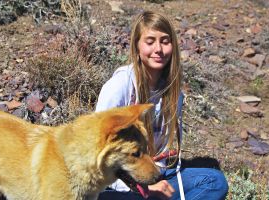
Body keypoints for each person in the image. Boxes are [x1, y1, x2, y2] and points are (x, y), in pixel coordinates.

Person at [96, 11, 228, 200]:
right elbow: (99, 153)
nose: (158, 49)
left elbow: (162, 156)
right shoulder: (120, 86)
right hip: (115, 186)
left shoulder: (173, 93)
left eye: (165, 41)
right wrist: (143, 187)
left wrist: (154, 180)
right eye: (150, 42)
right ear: (137, 47)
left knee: (214, 181)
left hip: (153, 177)